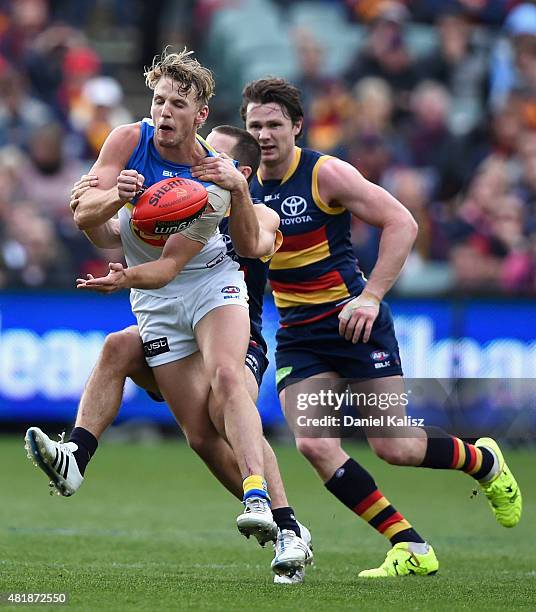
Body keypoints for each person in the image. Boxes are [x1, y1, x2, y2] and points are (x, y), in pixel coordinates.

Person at [23, 48, 296, 570]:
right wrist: (112, 197)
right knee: (193, 429)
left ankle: (268, 507)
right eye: (158, 100)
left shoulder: (216, 181)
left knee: (226, 386)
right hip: (157, 301)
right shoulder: (130, 139)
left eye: (177, 103)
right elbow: (88, 217)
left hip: (209, 288)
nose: (164, 111)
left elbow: (178, 264)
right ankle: (76, 458)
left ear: (200, 114)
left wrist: (122, 274)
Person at [239, 77, 522, 577]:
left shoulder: (325, 174)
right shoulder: (245, 187)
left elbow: (403, 223)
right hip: (300, 334)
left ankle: (484, 463)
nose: (264, 134)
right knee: (314, 442)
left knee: (396, 447)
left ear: (297, 127)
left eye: (274, 124)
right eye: (255, 125)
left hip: (353, 324)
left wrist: (370, 297)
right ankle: (409, 544)